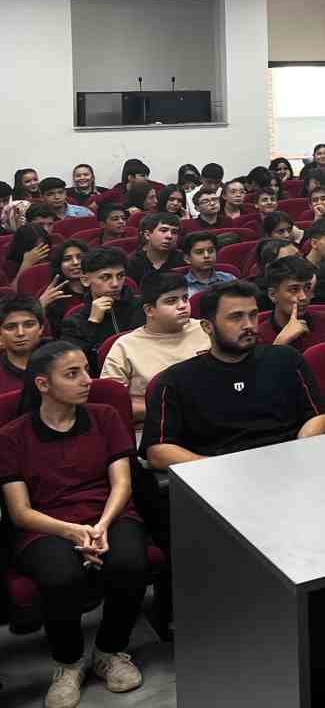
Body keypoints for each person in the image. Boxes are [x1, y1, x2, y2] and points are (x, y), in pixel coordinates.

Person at [0, 340, 150, 704]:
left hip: (108, 513)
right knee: (60, 576)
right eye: (72, 374)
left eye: (86, 370)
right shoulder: (12, 436)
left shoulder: (104, 416)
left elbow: (122, 483)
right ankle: (68, 662)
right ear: (42, 384)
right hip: (45, 524)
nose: (87, 380)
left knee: (130, 562)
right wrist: (72, 531)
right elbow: (20, 511)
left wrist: (101, 526)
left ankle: (110, 650)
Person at [141, 282, 325, 469]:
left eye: (253, 315)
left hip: (292, 463)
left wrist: (299, 452)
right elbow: (158, 452)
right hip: (217, 473)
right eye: (236, 317)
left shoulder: (287, 359)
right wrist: (212, 469)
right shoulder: (175, 380)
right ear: (207, 327)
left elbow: (318, 417)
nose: (248, 325)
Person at [100, 274, 208, 424]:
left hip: (211, 418)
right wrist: (174, 408)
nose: (183, 305)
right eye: (171, 301)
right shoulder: (125, 346)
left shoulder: (206, 329)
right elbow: (112, 404)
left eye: (185, 298)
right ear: (150, 310)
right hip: (153, 425)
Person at [62, 249, 143, 370]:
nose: (115, 284)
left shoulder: (142, 307)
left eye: (120, 276)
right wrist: (92, 323)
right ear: (85, 280)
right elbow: (73, 364)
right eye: (105, 277)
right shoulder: (73, 322)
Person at [258, 257, 325, 350]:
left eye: (307, 288)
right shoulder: (259, 336)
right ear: (273, 295)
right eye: (294, 289)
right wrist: (280, 343)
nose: (303, 297)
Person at [40, 241, 90, 338]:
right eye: (67, 259)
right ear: (59, 265)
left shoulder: (98, 287)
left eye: (80, 257)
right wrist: (41, 305)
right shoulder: (51, 294)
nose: (75, 262)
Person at [0, 293, 45, 395]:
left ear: (41, 328)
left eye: (29, 325)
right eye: (10, 327)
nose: (20, 333)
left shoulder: (60, 362)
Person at [125, 212, 182, 289]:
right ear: (147, 235)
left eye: (174, 232)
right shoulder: (130, 263)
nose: (169, 236)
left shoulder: (183, 259)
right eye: (163, 230)